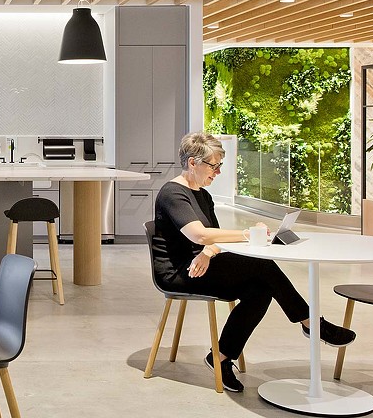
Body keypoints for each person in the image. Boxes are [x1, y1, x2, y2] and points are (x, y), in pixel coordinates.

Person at [151, 132, 355, 393]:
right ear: (193, 163)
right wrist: (247, 235)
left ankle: (221, 358)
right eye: (213, 166)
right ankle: (312, 324)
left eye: (219, 166)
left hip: (202, 263)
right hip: (179, 271)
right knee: (262, 266)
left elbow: (213, 238)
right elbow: (198, 234)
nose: (218, 172)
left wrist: (209, 252)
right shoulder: (172, 193)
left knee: (261, 290)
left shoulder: (203, 194)